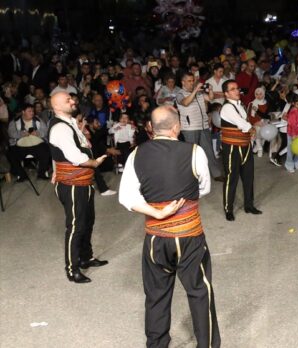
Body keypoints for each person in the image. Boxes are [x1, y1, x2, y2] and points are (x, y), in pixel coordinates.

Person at [118, 106, 220, 348]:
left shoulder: (136, 154)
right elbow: (204, 188)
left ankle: (157, 344)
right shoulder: (194, 151)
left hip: (156, 237)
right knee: (198, 291)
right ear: (177, 126)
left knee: (156, 295)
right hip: (189, 236)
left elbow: (126, 198)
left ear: (151, 128)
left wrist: (158, 212)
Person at [48, 92, 108, 283]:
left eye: (72, 99)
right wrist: (94, 163)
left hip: (83, 181)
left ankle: (86, 258)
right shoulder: (60, 128)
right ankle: (72, 269)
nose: (73, 101)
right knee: (76, 226)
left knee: (88, 221)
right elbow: (76, 157)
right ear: (56, 106)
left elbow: (64, 149)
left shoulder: (70, 122)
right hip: (72, 183)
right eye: (68, 100)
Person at [219, 80, 262, 221]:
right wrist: (251, 128)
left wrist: (251, 129)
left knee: (249, 176)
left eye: (237, 88)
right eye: (232, 89)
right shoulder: (227, 108)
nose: (237, 91)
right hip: (232, 147)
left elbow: (246, 121)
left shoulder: (240, 105)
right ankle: (228, 209)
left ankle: (249, 205)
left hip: (245, 145)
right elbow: (241, 122)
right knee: (232, 178)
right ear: (226, 94)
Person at [176, 73, 224, 181]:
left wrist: (210, 90)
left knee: (209, 151)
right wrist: (195, 91)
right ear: (183, 82)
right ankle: (191, 178)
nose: (192, 83)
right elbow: (185, 103)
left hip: (203, 126)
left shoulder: (198, 93)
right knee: (192, 154)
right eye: (189, 81)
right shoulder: (180, 93)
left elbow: (210, 98)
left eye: (193, 80)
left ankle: (216, 174)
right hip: (190, 128)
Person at [7, 103, 51, 181]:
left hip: (37, 144)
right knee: (11, 154)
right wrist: (21, 134)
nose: (32, 113)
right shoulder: (15, 121)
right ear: (23, 112)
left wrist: (38, 133)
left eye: (33, 111)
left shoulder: (38, 120)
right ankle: (21, 175)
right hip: (20, 146)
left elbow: (45, 131)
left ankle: (42, 173)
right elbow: (11, 133)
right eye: (29, 111)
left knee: (46, 150)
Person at [284, 94, 298, 173]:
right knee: (291, 150)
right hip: (292, 134)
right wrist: (293, 135)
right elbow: (291, 124)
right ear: (293, 103)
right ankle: (289, 164)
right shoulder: (293, 112)